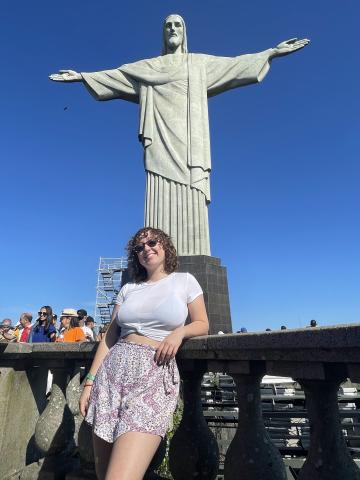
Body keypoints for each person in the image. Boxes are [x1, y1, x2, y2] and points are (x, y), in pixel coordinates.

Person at [49, 15, 309, 257]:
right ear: (163, 33)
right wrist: (83, 76)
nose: (173, 29)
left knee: (192, 189)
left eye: (178, 25)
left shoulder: (198, 63)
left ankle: (190, 249)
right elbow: (117, 75)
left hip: (191, 141)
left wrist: (271, 53)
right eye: (168, 25)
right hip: (159, 138)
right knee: (157, 188)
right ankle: (159, 250)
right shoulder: (148, 67)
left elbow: (235, 64)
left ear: (185, 33)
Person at [79, 227, 209, 480]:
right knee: (102, 473)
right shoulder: (129, 289)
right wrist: (89, 382)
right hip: (112, 375)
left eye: (152, 242)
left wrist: (178, 333)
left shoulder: (184, 281)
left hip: (153, 375)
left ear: (165, 246)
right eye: (139, 247)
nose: (146, 249)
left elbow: (203, 323)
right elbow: (110, 336)